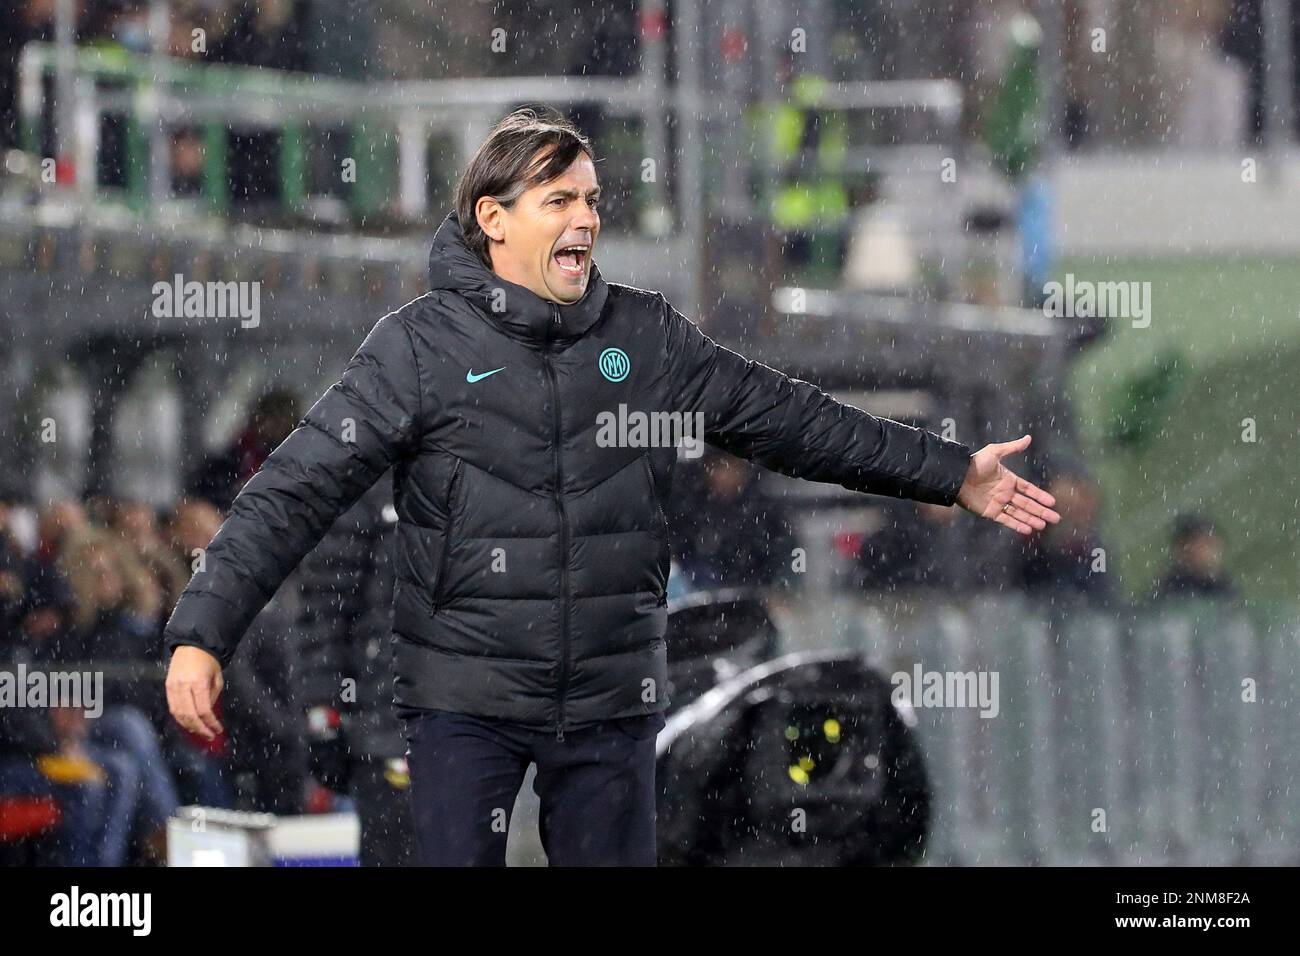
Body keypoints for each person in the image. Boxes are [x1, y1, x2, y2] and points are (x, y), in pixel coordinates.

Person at [162, 107, 1061, 867]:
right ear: (495, 219)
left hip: (607, 697)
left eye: (592, 200)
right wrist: (204, 631)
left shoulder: (646, 337)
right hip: (461, 698)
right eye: (559, 201)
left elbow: (790, 418)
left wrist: (947, 473)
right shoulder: (416, 350)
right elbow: (292, 492)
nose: (585, 219)